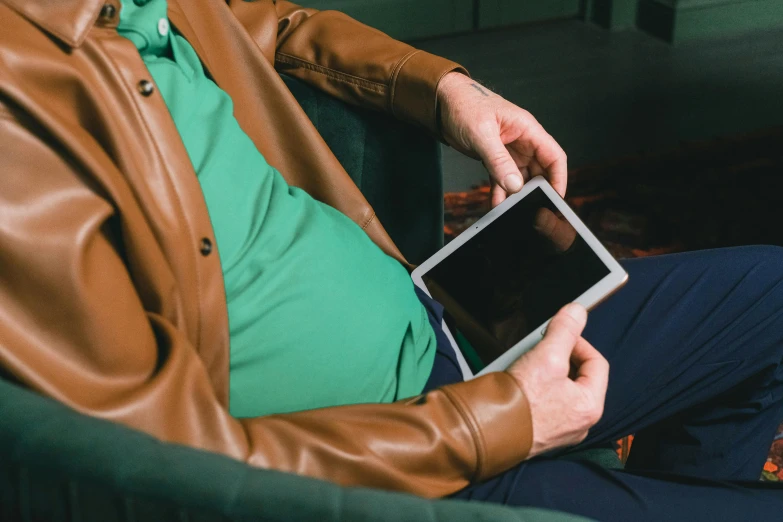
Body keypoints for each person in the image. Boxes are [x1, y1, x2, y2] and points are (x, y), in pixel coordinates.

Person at [0, 1, 781, 519]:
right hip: (402, 457)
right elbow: (163, 463)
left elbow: (263, 21)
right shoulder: (16, 125)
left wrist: (443, 88)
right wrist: (500, 422)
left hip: (442, 323)